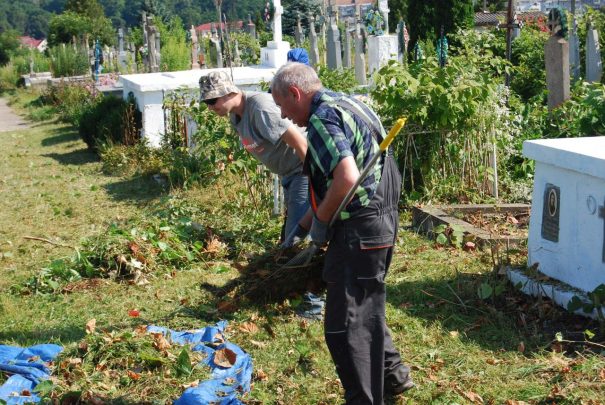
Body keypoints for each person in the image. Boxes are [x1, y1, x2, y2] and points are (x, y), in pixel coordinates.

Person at [270, 62, 414, 404]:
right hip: (379, 220)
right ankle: (392, 377)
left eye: (281, 105)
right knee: (365, 306)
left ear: (295, 93)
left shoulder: (322, 120)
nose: (284, 115)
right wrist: (303, 226)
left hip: (358, 230)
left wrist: (321, 223)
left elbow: (347, 177)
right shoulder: (350, 103)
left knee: (345, 327)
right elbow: (352, 174)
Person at [199, 71, 308, 242]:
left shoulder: (260, 108)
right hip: (289, 175)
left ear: (229, 92)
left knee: (296, 238)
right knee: (291, 236)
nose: (210, 107)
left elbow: (301, 143)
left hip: (303, 171)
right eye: (206, 103)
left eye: (212, 101)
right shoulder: (235, 116)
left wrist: (317, 180)